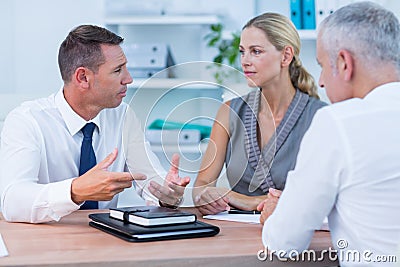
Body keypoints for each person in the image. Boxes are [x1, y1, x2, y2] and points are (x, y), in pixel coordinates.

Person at [0, 24, 189, 223]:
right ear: (83, 78)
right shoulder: (27, 121)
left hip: (107, 240)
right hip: (47, 241)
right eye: (117, 70)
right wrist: (76, 190)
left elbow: (151, 181)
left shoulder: (123, 115)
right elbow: (13, 201)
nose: (129, 79)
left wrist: (168, 194)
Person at [257, 2, 400, 266]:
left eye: (323, 65)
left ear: (345, 63)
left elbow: (285, 243)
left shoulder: (339, 122)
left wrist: (279, 214)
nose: (320, 81)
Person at [193, 12, 327, 215]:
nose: (245, 61)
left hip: (296, 236)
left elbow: (320, 197)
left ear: (286, 56)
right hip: (234, 235)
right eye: (242, 51)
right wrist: (203, 197)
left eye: (256, 51)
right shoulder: (229, 112)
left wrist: (245, 201)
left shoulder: (321, 117)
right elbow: (201, 185)